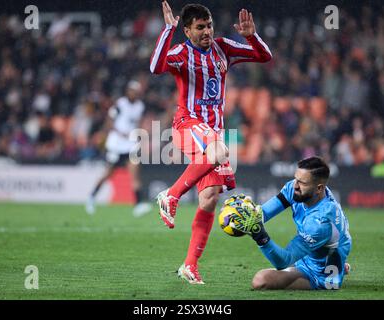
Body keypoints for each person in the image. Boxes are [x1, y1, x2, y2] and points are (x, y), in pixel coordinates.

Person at [150, 0, 272, 284]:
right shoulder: (181, 53)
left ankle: (189, 266)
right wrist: (168, 30)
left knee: (210, 196)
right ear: (187, 30)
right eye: (200, 27)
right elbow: (156, 67)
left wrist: (251, 35)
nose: (207, 31)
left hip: (212, 130)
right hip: (188, 124)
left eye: (209, 26)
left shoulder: (223, 48)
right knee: (219, 149)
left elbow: (264, 57)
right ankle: (171, 195)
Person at [230, 156, 352, 290]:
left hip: (321, 275)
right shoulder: (296, 189)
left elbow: (283, 261)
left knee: (261, 280)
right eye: (296, 179)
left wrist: (259, 235)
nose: (295, 186)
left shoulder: (320, 222)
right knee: (319, 250)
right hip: (311, 254)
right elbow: (263, 213)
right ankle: (335, 259)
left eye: (302, 183)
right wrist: (249, 211)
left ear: (319, 188)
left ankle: (335, 267)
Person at [86, 80, 152, 217]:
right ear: (128, 91)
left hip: (130, 145)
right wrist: (119, 132)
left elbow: (138, 122)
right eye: (132, 90)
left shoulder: (140, 106)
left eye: (136, 91)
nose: (133, 93)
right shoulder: (120, 104)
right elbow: (109, 121)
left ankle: (138, 204)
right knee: (108, 174)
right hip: (116, 144)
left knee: (135, 173)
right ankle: (92, 196)